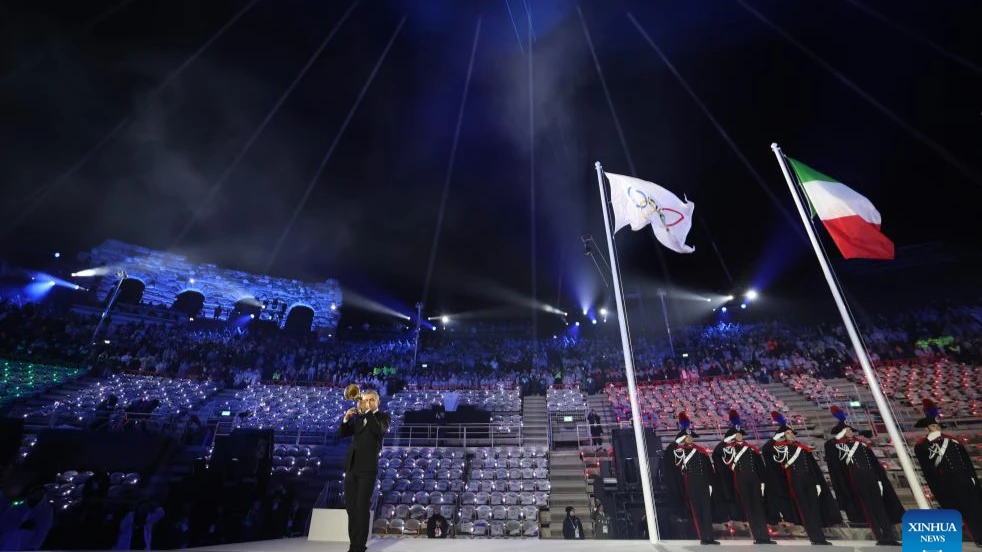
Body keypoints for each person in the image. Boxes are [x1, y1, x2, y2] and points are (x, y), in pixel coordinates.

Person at [823, 406, 902, 546]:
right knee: (869, 509)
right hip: (857, 481)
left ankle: (889, 535)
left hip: (872, 479)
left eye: (850, 430)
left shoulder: (862, 445)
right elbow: (835, 465)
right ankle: (880, 536)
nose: (850, 432)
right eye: (847, 430)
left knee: (880, 507)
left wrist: (879, 479)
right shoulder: (834, 446)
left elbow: (873, 464)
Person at [761, 412, 839, 546]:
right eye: (788, 433)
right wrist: (776, 437)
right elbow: (766, 450)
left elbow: (812, 467)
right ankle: (814, 536)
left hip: (810, 481)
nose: (792, 435)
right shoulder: (780, 448)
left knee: (814, 508)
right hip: (795, 482)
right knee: (805, 510)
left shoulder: (802, 448)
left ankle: (819, 537)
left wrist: (817, 482)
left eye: (792, 433)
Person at [913, 399, 982, 546]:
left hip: (964, 479)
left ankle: (979, 537)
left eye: (936, 425)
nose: (936, 427)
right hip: (947, 482)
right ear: (927, 428)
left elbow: (967, 462)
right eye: (932, 425)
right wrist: (936, 488)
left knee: (974, 509)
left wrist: (972, 478)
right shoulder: (922, 446)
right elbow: (928, 470)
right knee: (955, 512)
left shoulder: (953, 441)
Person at [712, 409, 777, 545]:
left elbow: (759, 466)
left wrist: (763, 481)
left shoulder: (750, 448)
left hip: (755, 480)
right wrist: (727, 439)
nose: (740, 436)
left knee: (759, 508)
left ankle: (765, 537)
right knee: (749, 509)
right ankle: (757, 537)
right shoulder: (728, 449)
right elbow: (717, 453)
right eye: (737, 434)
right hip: (740, 480)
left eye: (741, 434)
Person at [339, 389, 390, 552]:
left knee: (362, 507)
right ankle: (354, 543)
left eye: (371, 400)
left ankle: (359, 546)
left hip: (367, 469)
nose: (367, 402)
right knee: (351, 507)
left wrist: (368, 411)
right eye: (365, 399)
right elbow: (342, 433)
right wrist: (346, 419)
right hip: (352, 466)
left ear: (377, 402)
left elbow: (378, 430)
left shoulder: (383, 417)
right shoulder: (359, 418)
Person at [663, 412, 720, 545]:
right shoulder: (678, 451)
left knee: (706, 510)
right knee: (696, 511)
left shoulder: (700, 451)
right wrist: (677, 440)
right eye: (686, 436)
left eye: (690, 436)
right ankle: (702, 536)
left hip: (704, 484)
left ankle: (709, 536)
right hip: (690, 483)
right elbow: (670, 454)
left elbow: (708, 469)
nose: (689, 438)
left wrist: (711, 483)